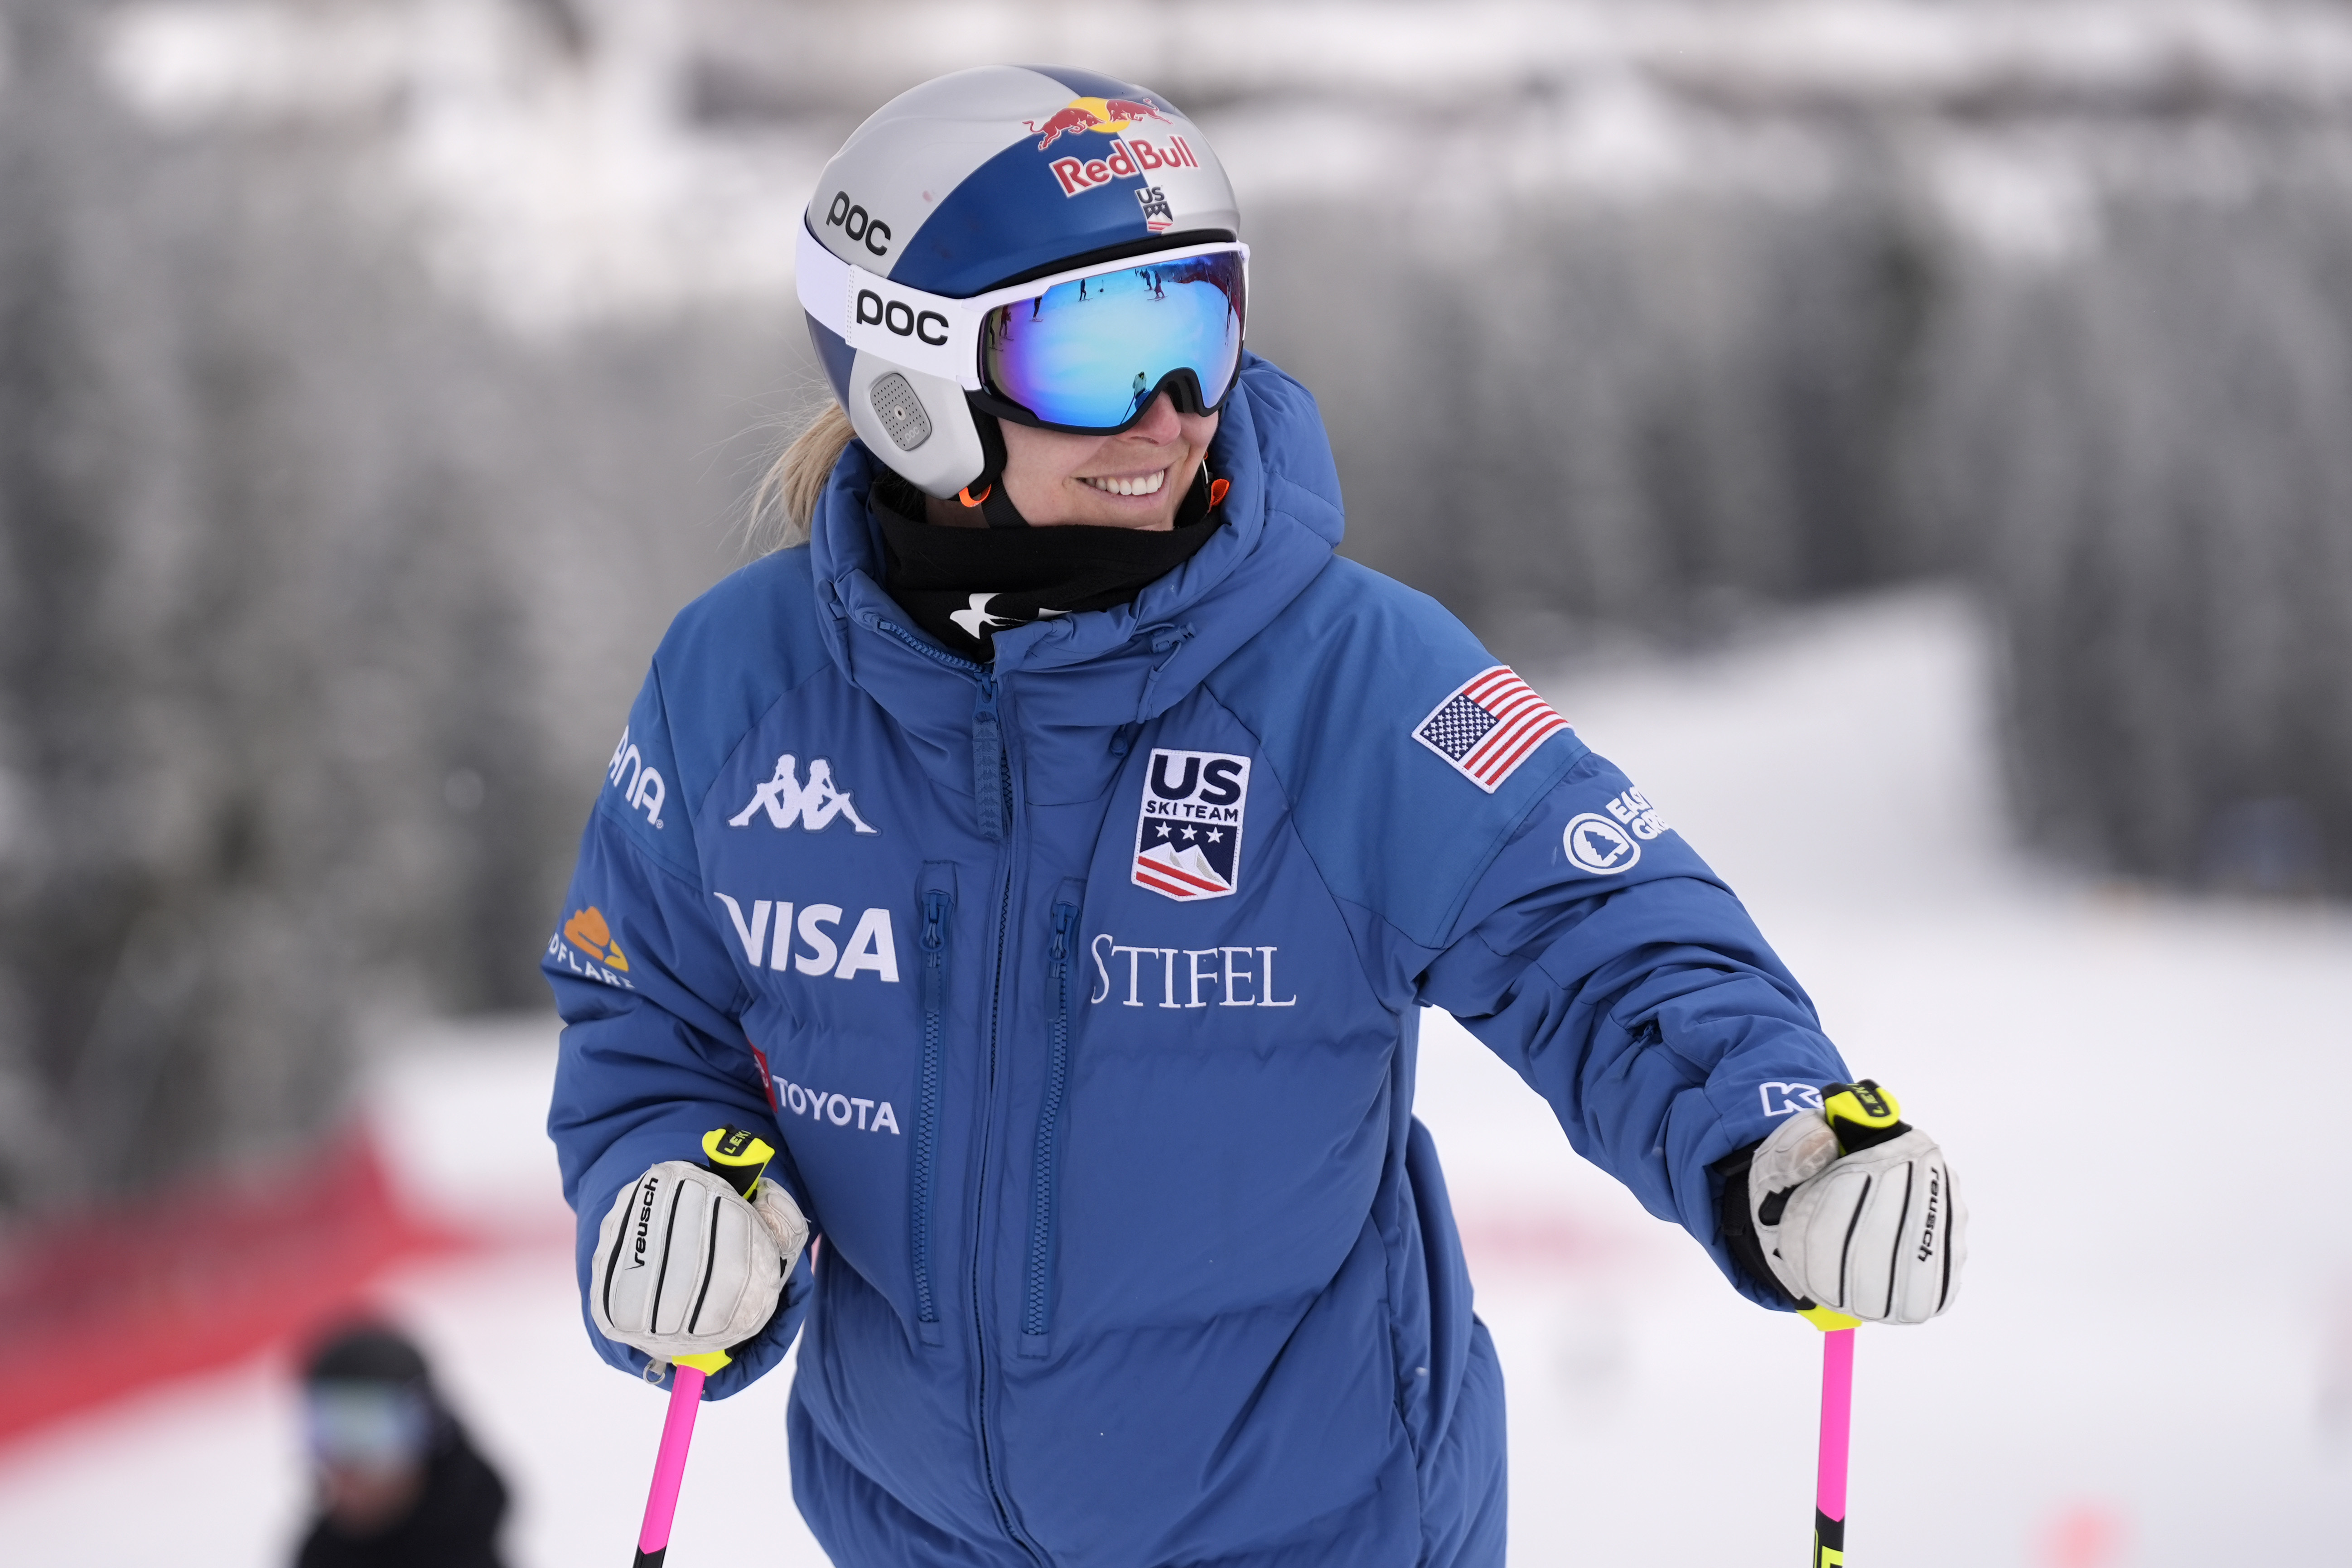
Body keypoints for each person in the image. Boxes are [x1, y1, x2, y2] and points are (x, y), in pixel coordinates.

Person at [544, 66, 1967, 1568]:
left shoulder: (1347, 679)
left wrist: (1781, 1131)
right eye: (1096, 348)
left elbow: (1599, 937)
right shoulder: (740, 688)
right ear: (912, 379)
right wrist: (676, 1185)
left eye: (1197, 328)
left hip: (1318, 1534)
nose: (1167, 413)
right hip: (910, 1535)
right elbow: (648, 1020)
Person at [291, 1322, 508, 1568]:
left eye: (371, 1433)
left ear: (426, 1434)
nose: (348, 1465)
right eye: (328, 1431)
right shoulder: (320, 1555)